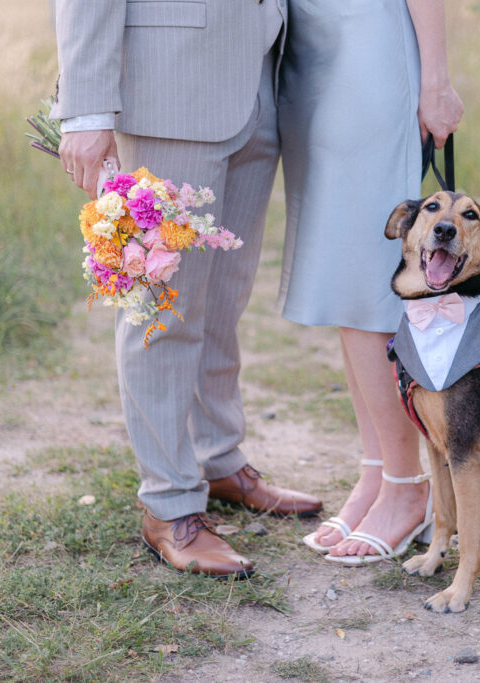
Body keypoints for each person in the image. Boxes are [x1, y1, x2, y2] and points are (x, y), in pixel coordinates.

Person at [51, 0, 322, 578]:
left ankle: (218, 458)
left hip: (261, 80)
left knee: (223, 298)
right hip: (168, 84)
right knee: (162, 308)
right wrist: (86, 108)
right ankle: (169, 505)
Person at [278, 0, 463, 563]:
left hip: (369, 50)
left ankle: (409, 489)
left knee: (365, 283)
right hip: (312, 53)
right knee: (341, 277)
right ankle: (379, 471)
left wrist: (435, 80)